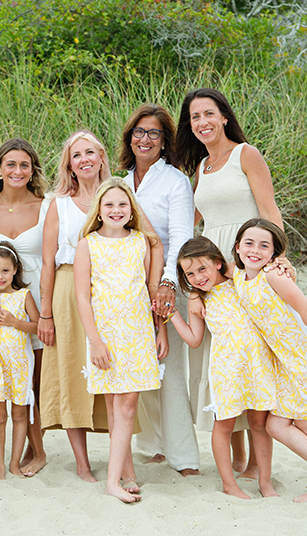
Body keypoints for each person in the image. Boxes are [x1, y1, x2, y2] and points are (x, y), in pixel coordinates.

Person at [40, 131, 163, 482]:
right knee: (74, 375)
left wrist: (153, 288)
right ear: (69, 163)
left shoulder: (119, 196)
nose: (84, 159)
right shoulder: (59, 203)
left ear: (101, 155)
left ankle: (123, 467)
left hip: (122, 303)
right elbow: (48, 261)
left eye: (90, 152)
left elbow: (152, 242)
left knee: (117, 386)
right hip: (69, 289)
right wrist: (45, 312)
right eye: (76, 154)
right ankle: (82, 463)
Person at [177, 87, 284, 477]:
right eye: (194, 118)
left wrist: (277, 261)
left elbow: (270, 211)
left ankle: (258, 462)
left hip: (247, 261)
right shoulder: (201, 169)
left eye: (208, 114)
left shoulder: (246, 154)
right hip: (212, 270)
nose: (202, 122)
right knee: (222, 357)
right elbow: (189, 223)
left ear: (224, 116)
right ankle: (238, 459)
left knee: (252, 354)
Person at [231, 219, 307, 503]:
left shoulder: (273, 275)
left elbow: (306, 309)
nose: (255, 250)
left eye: (264, 246)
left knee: (306, 423)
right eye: (249, 243)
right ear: (237, 248)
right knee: (277, 425)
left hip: (306, 357)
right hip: (285, 364)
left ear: (274, 254)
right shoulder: (239, 278)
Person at [120, 103, 199, 476]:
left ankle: (183, 456)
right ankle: (153, 444)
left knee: (168, 369)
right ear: (129, 138)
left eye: (153, 133)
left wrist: (168, 282)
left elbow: (182, 236)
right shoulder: (120, 182)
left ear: (165, 140)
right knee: (139, 368)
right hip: (126, 289)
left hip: (168, 284)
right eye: (139, 132)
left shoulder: (175, 181)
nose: (145, 139)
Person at [73, 177, 164, 503]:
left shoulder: (141, 242)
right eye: (109, 204)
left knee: (126, 404)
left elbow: (150, 293)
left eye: (122, 204)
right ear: (98, 209)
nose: (116, 210)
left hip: (137, 333)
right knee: (115, 405)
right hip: (106, 335)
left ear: (132, 209)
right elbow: (83, 298)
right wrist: (95, 341)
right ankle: (118, 478)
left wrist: (161, 329)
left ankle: (122, 475)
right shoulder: (88, 244)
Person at [168, 236, 278, 499]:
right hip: (226, 369)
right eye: (189, 274)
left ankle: (266, 483)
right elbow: (195, 340)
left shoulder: (240, 279)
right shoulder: (201, 299)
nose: (197, 277)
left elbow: (236, 266)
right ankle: (229, 484)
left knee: (259, 424)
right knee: (224, 425)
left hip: (257, 365)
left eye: (202, 269)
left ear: (218, 263)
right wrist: (173, 313)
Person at [0, 138, 49, 476]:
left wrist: (45, 311)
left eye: (24, 165)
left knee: (34, 383)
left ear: (32, 169)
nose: (17, 171)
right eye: (10, 164)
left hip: (34, 301)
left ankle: (38, 450)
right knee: (8, 384)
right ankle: (17, 457)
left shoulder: (46, 205)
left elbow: (50, 260)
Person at [0, 242, 40, 480]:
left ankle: (14, 463)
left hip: (21, 366)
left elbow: (37, 327)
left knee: (19, 415)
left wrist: (16, 322)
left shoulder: (23, 296)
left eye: (5, 270)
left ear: (15, 269)